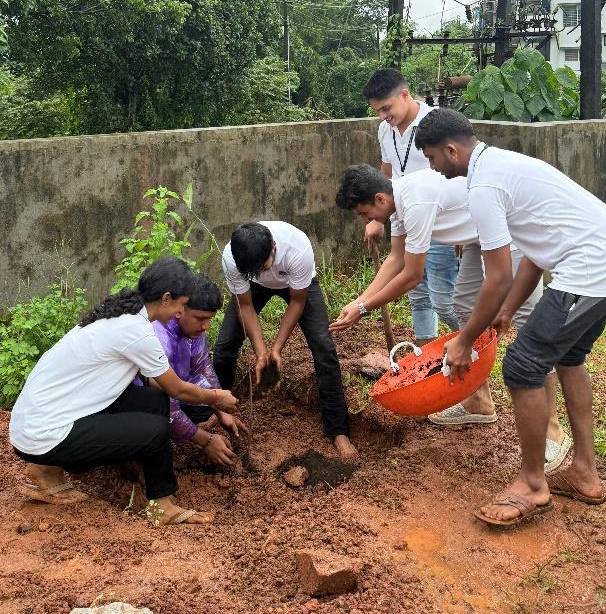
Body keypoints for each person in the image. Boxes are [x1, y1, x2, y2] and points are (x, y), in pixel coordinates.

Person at [414, 108, 606, 528]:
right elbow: (534, 256)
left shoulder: (482, 186)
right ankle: (584, 473)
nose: (432, 166)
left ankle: (532, 484)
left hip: (593, 269)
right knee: (569, 358)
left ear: (451, 150)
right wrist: (504, 313)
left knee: (522, 366)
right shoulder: (505, 166)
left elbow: (497, 275)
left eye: (432, 158)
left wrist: (465, 338)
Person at [330, 163, 569, 469]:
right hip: (477, 237)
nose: (367, 220)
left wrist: (364, 309)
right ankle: (479, 402)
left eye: (364, 214)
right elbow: (396, 259)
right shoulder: (397, 200)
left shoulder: (415, 202)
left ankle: (553, 432)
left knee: (529, 329)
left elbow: (411, 276)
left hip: (512, 231)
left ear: (379, 199)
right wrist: (359, 300)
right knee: (466, 306)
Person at [9, 257, 238, 525]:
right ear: (166, 299)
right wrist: (217, 398)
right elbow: (179, 390)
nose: (179, 313)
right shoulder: (138, 332)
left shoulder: (123, 316)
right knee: (156, 429)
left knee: (155, 401)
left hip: (38, 418)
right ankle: (162, 506)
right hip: (44, 434)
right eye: (181, 305)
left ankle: (47, 471)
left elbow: (160, 385)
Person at [213, 221, 357, 459]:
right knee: (224, 348)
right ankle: (220, 413)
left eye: (263, 267)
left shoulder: (297, 249)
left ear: (273, 247)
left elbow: (297, 302)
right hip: (253, 291)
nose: (260, 274)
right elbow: (245, 304)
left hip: (298, 285)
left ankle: (338, 430)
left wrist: (277, 349)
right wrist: (261, 352)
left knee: (324, 346)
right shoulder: (233, 256)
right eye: (253, 272)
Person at [363, 68, 459, 344]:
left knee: (444, 296)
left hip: (441, 224)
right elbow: (386, 176)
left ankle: (468, 349)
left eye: (386, 108)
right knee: (417, 295)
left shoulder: (438, 123)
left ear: (404, 94)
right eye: (377, 111)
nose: (383, 117)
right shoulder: (385, 130)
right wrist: (378, 219)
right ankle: (426, 355)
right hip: (404, 218)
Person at [149, 273, 248, 468]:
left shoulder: (191, 330)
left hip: (177, 390)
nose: (205, 327)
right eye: (200, 318)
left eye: (209, 319)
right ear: (179, 309)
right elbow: (167, 402)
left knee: (202, 409)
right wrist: (206, 440)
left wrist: (220, 409)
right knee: (156, 431)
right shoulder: (158, 337)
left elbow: (203, 368)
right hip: (144, 399)